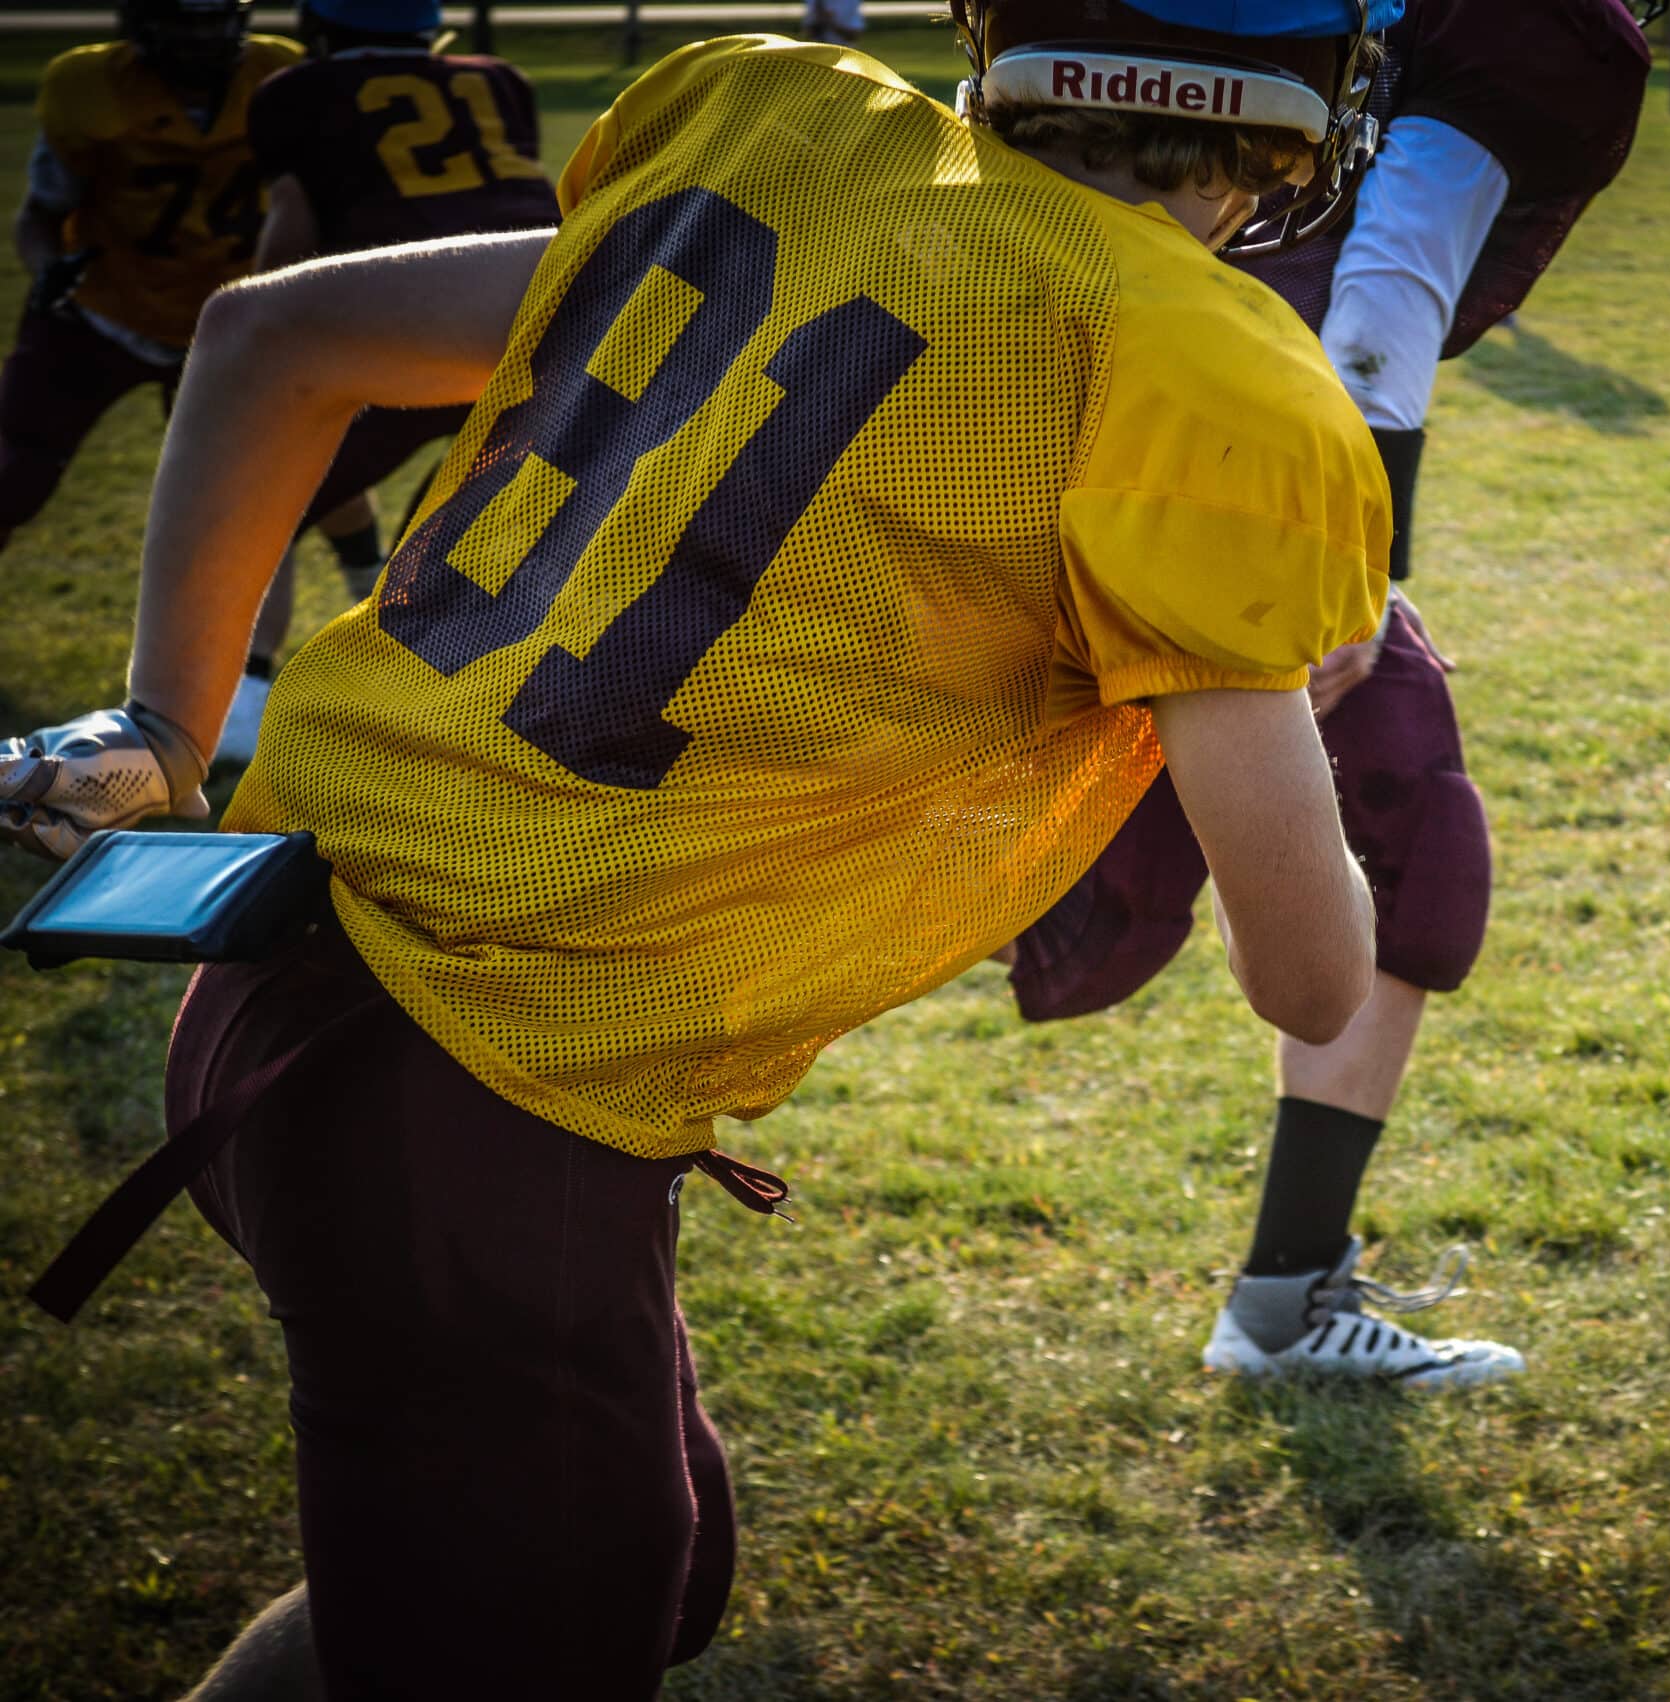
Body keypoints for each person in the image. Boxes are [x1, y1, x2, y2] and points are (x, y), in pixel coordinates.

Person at [0, 2, 1398, 1692]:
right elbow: (1313, 978)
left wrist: (163, 719)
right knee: (524, 1626)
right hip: (487, 1094)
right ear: (1303, 100)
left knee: (617, 1579)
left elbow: (261, 342)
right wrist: (1273, 678)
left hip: (280, 960)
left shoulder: (779, 110)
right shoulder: (1198, 360)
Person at [1004, 0, 1650, 1388]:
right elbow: (1389, 287)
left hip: (1048, 419)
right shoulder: (1527, 41)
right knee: (1411, 838)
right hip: (1222, 466)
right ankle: (1288, 1304)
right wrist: (1363, 565)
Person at [217, 0, 558, 764]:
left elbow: (292, 230)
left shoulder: (296, 94)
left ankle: (241, 692)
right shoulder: (498, 78)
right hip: (549, 310)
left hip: (413, 325)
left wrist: (270, 328)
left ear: (320, 26)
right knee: (476, 516)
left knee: (261, 494)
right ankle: (430, 661)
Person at [1, 0, 298, 552]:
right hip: (103, 308)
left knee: (231, 505)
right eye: (182, 21)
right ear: (141, 23)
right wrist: (47, 272)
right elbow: (40, 216)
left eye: (213, 19)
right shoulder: (90, 86)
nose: (201, 36)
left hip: (224, 316)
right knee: (14, 474)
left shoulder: (279, 73)